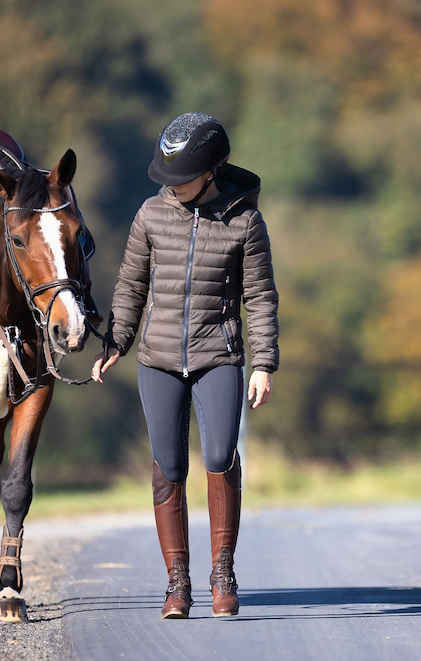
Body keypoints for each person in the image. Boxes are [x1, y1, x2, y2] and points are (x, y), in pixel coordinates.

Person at [91, 112, 279, 619]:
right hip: (157, 358)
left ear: (211, 171)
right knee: (168, 466)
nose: (171, 187)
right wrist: (115, 342)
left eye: (182, 178)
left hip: (218, 354)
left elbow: (260, 296)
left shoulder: (245, 221)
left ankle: (223, 571)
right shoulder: (150, 216)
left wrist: (263, 362)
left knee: (220, 455)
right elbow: (130, 286)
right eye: (166, 179)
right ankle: (178, 582)